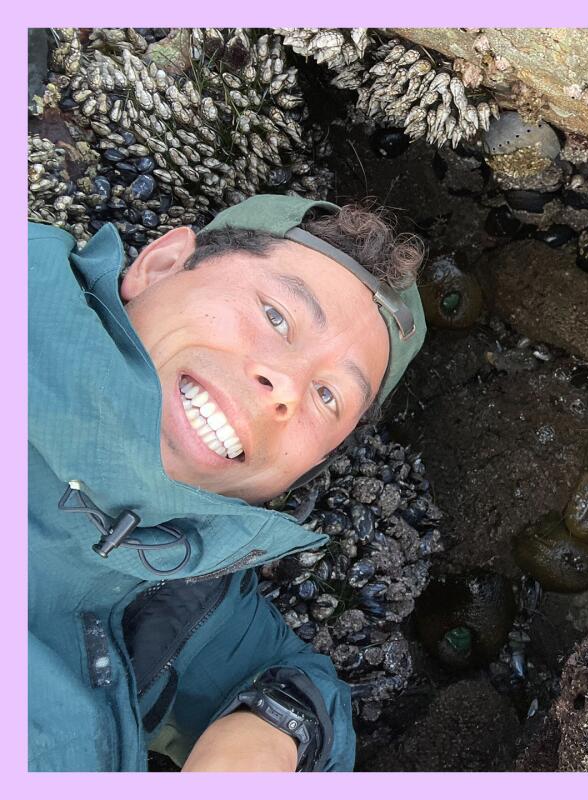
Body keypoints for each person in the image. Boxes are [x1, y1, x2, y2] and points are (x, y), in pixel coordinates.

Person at [27, 195, 427, 771]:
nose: (286, 386)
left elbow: (307, 693)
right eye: (276, 316)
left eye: (327, 396)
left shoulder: (180, 592)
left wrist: (272, 729)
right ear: (161, 263)